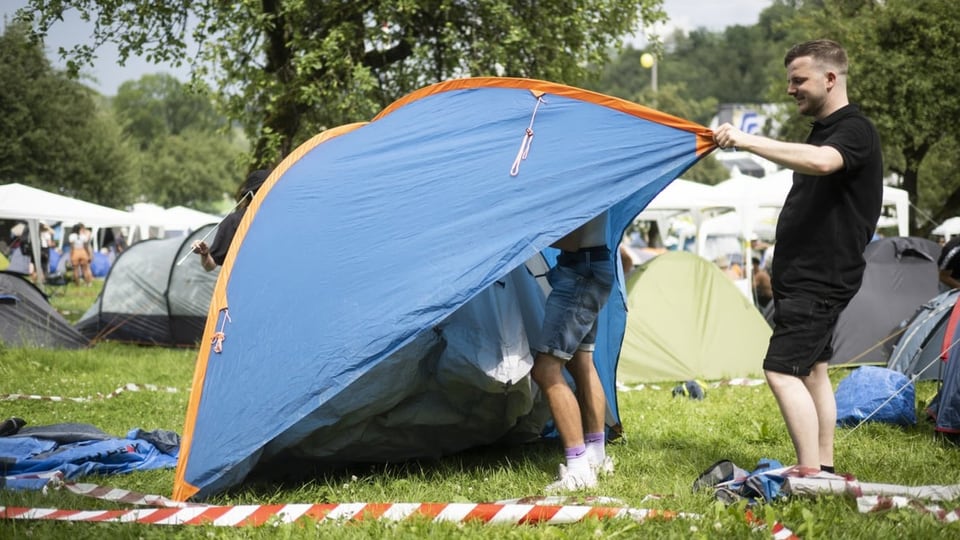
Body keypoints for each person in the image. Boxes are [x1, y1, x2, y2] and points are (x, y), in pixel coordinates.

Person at [713, 39, 883, 474]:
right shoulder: (824, 129)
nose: (791, 89)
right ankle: (821, 467)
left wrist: (748, 141)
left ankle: (808, 475)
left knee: (781, 370)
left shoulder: (854, 130)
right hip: (806, 276)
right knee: (812, 371)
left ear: (830, 78)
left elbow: (825, 163)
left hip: (820, 279)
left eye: (798, 80)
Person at [530, 212, 615, 492]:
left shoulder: (575, 174)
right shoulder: (590, 169)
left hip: (582, 272)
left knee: (546, 370)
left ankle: (578, 470)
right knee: (582, 362)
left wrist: (523, 231)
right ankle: (596, 454)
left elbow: (572, 238)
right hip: (591, 265)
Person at [193, 169, 271, 271]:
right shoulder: (234, 221)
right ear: (255, 192)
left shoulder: (283, 219)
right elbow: (210, 266)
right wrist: (204, 254)